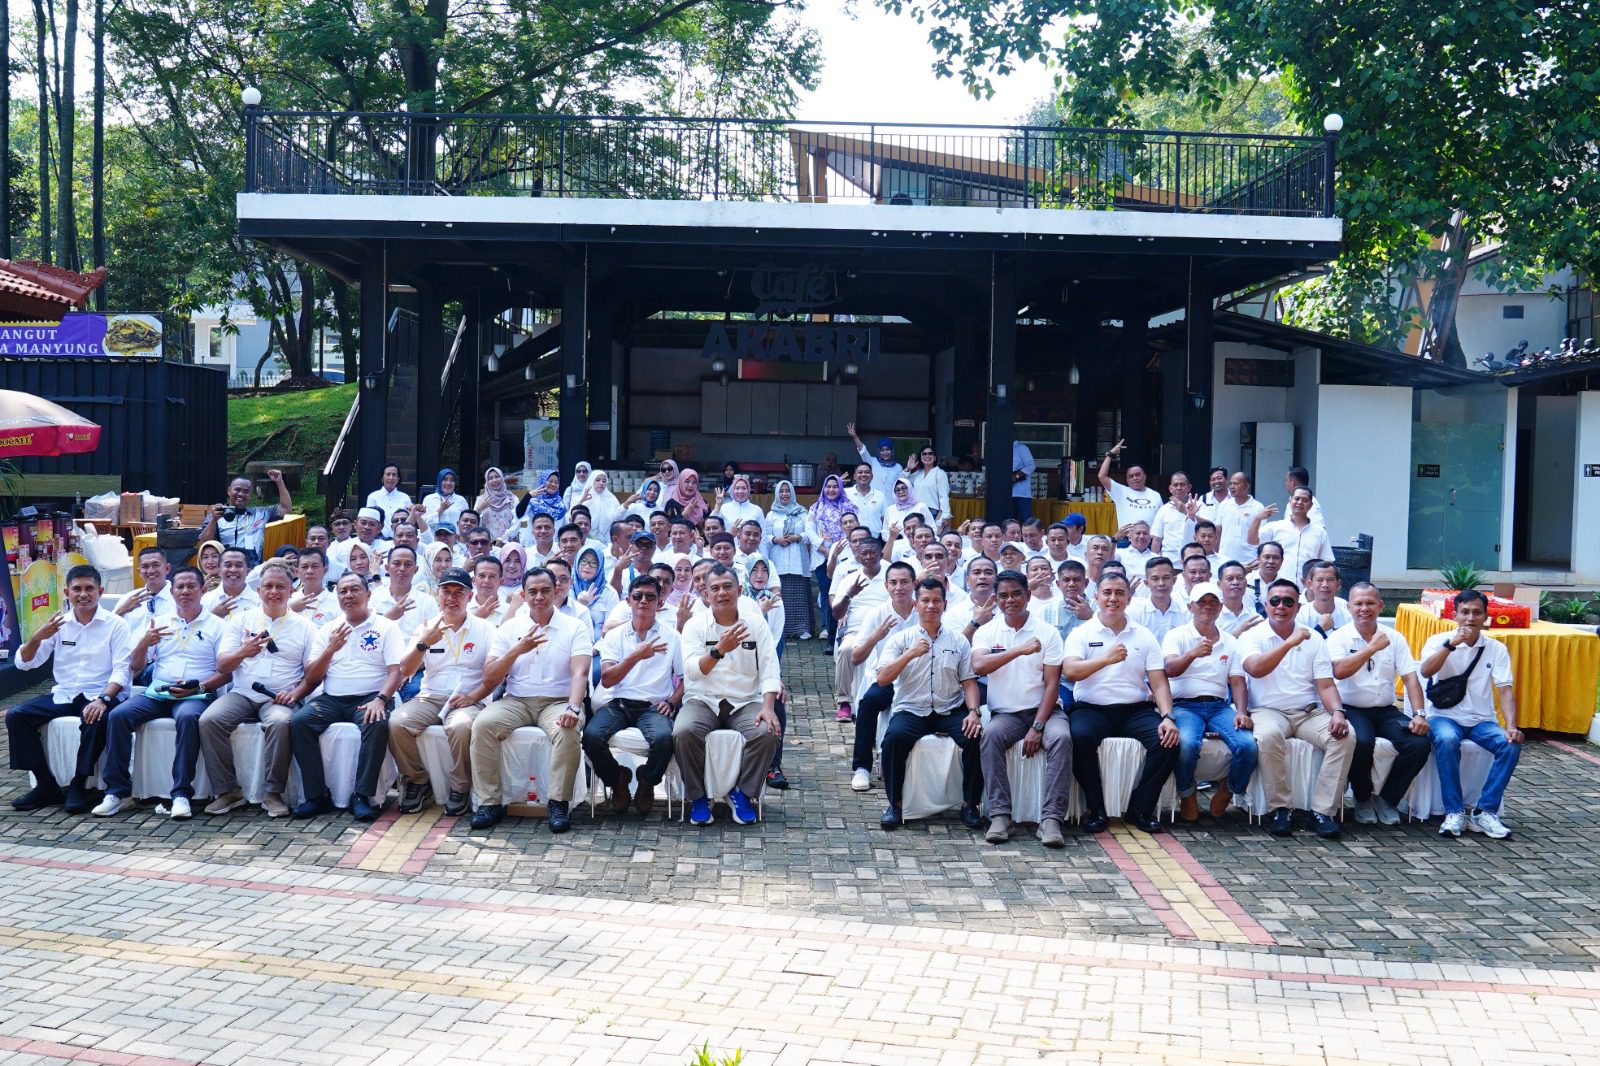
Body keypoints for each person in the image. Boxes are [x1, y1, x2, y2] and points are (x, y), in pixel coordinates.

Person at [92, 566, 230, 819]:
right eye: (180, 587)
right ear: (172, 591)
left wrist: (199, 687)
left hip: (196, 693)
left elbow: (226, 673)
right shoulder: (160, 622)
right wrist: (144, 644)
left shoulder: (218, 626)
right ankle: (116, 792)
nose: (185, 591)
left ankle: (181, 794)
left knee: (188, 717)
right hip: (159, 691)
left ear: (202, 590)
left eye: (191, 586)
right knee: (118, 716)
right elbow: (136, 666)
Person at [470, 567, 591, 832]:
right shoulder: (510, 627)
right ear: (523, 595)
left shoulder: (574, 627)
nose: (539, 597)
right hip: (517, 700)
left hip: (558, 700)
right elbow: (489, 677)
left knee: (568, 730)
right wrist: (516, 650)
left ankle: (558, 803)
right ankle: (490, 803)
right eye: (532, 592)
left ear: (556, 591)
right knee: (482, 725)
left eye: (545, 591)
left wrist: (573, 707)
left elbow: (580, 672)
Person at [8, 564, 135, 814]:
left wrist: (103, 699)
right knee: (16, 716)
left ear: (100, 591)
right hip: (65, 694)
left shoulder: (116, 624)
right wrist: (37, 637)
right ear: (67, 592)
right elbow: (26, 663)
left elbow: (122, 670)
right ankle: (46, 784)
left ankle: (78, 783)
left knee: (95, 718)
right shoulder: (59, 624)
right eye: (77, 589)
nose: (83, 594)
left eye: (89, 588)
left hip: (101, 693)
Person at [1062, 571, 1178, 834]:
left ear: (1129, 598)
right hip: (1091, 708)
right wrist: (1106, 659)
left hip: (1134, 709)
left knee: (1168, 741)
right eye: (1107, 592)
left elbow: (1159, 683)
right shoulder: (1082, 632)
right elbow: (1070, 671)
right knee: (1078, 737)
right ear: (1096, 596)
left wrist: (1167, 716)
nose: (1113, 598)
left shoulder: (1143, 635)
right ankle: (1096, 809)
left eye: (1119, 593)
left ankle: (1140, 808)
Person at [1239, 578, 1353, 838]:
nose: (1281, 606)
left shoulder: (1313, 638)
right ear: (1266, 605)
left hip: (1308, 712)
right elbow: (1255, 669)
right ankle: (1281, 809)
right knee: (1268, 736)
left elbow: (1325, 685)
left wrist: (1338, 712)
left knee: (1345, 736)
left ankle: (1323, 811)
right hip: (1268, 710)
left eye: (1288, 601)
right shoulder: (1252, 636)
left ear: (1298, 607)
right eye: (1275, 601)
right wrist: (1290, 642)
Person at [287, 573, 406, 821]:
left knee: (376, 722)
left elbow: (396, 672)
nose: (348, 595)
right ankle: (316, 796)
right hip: (332, 698)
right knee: (299, 722)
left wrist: (381, 699)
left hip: (371, 696)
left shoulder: (386, 627)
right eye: (343, 591)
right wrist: (330, 649)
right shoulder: (328, 629)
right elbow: (312, 676)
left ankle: (361, 796)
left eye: (354, 590)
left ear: (368, 594)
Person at [200, 560, 314, 817]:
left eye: (280, 587)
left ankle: (272, 793)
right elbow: (222, 665)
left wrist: (294, 694)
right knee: (209, 720)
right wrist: (244, 651)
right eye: (268, 586)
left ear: (291, 590)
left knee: (280, 722)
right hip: (243, 693)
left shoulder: (305, 626)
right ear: (259, 590)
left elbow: (312, 675)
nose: (274, 592)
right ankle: (228, 791)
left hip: (279, 697)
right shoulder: (241, 620)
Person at [384, 567, 497, 818]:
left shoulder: (485, 629)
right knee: (396, 723)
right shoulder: (426, 627)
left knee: (461, 726)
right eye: (446, 592)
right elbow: (406, 669)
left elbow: (495, 674)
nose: (451, 598)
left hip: (468, 698)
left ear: (470, 596)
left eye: (459, 592)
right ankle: (416, 780)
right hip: (431, 696)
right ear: (438, 595)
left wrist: (475, 696)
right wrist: (424, 643)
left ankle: (460, 786)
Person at [677, 564, 783, 826]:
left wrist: (768, 707)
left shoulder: (755, 623)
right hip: (703, 699)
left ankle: (743, 793)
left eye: (727, 587)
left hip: (744, 700)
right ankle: (698, 797)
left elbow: (770, 667)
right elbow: (692, 671)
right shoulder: (695, 625)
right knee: (683, 731)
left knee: (767, 732)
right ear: (705, 593)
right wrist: (718, 650)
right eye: (715, 588)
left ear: (739, 589)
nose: (722, 593)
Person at [875, 578, 983, 830]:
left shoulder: (958, 641)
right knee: (893, 740)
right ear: (916, 604)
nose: (931, 606)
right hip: (912, 709)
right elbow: (882, 678)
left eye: (937, 601)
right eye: (925, 600)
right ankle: (895, 805)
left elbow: (968, 682)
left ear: (945, 605)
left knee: (975, 738)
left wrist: (974, 712)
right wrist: (910, 654)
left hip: (949, 708)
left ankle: (970, 805)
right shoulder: (901, 639)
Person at [975, 569, 1070, 845]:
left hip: (1046, 712)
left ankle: (1051, 819)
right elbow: (979, 665)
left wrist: (1038, 727)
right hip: (1006, 714)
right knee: (990, 736)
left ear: (1028, 595)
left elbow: (1052, 684)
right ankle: (1000, 816)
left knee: (1062, 738)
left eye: (1016, 594)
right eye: (1003, 595)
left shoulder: (1048, 633)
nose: (1010, 600)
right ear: (996, 599)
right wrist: (1018, 650)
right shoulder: (987, 631)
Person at [1418, 590, 1521, 839]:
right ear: (1455, 615)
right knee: (1447, 739)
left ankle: (1485, 811)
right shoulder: (1438, 640)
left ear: (1485, 617)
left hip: (1482, 720)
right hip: (1444, 716)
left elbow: (1505, 689)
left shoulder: (1496, 648)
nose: (1470, 618)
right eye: (1464, 612)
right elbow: (1425, 671)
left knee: (1509, 744)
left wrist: (1511, 726)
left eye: (1477, 612)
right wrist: (1451, 645)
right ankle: (1454, 811)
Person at [1327, 583, 1430, 826]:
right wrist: (1371, 648)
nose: (1364, 608)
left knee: (1419, 743)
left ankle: (1387, 799)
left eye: (1370, 603)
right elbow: (1339, 671)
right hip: (1351, 708)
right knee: (1362, 742)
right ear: (1349, 607)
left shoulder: (1395, 637)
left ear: (1381, 606)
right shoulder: (1339, 637)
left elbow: (1410, 678)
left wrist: (1419, 714)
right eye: (1359, 603)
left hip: (1385, 710)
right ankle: (1362, 798)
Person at [583, 574, 683, 818]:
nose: (643, 601)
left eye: (650, 597)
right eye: (637, 596)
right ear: (628, 600)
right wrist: (636, 656)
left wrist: (671, 702)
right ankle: (618, 778)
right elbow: (608, 679)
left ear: (660, 602)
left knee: (664, 739)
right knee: (591, 737)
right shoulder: (615, 635)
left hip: (653, 705)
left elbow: (686, 679)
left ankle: (647, 780)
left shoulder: (672, 636)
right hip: (618, 702)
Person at [1162, 581, 1255, 822]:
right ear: (1190, 606)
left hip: (1218, 706)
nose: (1207, 606)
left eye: (1213, 601)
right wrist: (1192, 653)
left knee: (1247, 745)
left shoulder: (1230, 641)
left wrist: (1241, 711)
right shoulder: (1177, 635)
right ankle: (1187, 792)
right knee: (1186, 744)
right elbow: (1169, 669)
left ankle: (1229, 789)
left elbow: (1237, 681)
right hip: (1184, 704)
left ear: (1221, 606)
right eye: (1201, 602)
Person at [846, 562, 919, 792]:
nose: (899, 588)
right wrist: (875, 637)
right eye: (893, 583)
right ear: (886, 586)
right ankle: (862, 768)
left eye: (904, 582)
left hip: (918, 680)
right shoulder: (877, 614)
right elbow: (856, 657)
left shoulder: (923, 610)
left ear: (914, 584)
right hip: (886, 678)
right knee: (869, 702)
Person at [370, 545, 440, 701]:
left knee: (413, 690)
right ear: (387, 567)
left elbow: (435, 643)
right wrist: (388, 617)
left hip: (414, 667)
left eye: (408, 564)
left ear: (415, 569)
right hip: (378, 666)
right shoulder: (374, 597)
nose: (402, 568)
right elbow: (363, 634)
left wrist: (409, 669)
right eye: (396, 563)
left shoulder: (427, 602)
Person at [831, 535, 888, 722]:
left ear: (881, 554)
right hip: (856, 631)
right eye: (864, 553)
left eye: (873, 553)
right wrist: (849, 595)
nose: (868, 557)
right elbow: (836, 614)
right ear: (857, 555)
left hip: (887, 630)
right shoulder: (850, 579)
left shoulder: (891, 575)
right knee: (845, 649)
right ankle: (844, 702)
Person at [197, 469, 293, 565]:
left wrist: (279, 482)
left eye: (246, 491)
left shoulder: (261, 513)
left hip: (253, 567)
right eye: (237, 490)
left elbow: (286, 508)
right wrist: (213, 520)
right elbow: (203, 543)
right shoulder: (217, 514)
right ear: (229, 491)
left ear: (251, 495)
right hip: (226, 567)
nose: (241, 494)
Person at [763, 479, 813, 641]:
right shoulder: (771, 515)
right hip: (778, 559)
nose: (785, 494)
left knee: (799, 596)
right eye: (781, 491)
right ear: (777, 494)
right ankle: (780, 629)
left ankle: (802, 629)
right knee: (780, 594)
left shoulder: (802, 513)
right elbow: (765, 536)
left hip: (798, 560)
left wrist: (798, 537)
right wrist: (775, 539)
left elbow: (810, 534)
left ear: (792, 493)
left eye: (787, 491)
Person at [1247, 487, 1330, 584]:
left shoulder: (1319, 532)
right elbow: (1252, 540)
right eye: (1297, 498)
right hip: (1279, 586)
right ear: (1290, 501)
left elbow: (1326, 561)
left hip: (1308, 587)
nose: (1300, 502)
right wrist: (1257, 519)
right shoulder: (1275, 527)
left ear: (1311, 505)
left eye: (1305, 500)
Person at [1096, 440, 1161, 530]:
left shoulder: (1155, 495)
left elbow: (1161, 521)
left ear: (1145, 476)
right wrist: (1110, 454)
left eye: (1138, 474)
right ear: (1127, 480)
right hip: (1126, 537)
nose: (1135, 478)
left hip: (1149, 537)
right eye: (1131, 476)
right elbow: (1102, 476)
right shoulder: (1121, 492)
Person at [1127, 557, 1185, 641]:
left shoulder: (1185, 611)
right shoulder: (1135, 611)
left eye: (1166, 578)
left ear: (1174, 580)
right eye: (1155, 579)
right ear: (1146, 583)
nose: (1161, 583)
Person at [1150, 471, 1199, 562]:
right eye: (1175, 485)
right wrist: (1154, 563)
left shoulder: (1199, 505)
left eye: (1182, 484)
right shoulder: (1163, 510)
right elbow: (1157, 540)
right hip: (1169, 562)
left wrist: (1186, 511)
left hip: (1194, 561)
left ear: (1189, 487)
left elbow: (1209, 528)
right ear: (1170, 488)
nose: (1179, 488)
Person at [1217, 472, 1266, 564]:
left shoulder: (1258, 507)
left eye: (1236, 484)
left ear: (1247, 486)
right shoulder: (1224, 505)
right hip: (1225, 558)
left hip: (1250, 559)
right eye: (1230, 484)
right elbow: (1218, 531)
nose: (1232, 487)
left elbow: (1261, 536)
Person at [116, 546, 177, 619]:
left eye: (156, 565)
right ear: (139, 572)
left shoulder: (179, 598)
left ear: (167, 568)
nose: (151, 571)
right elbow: (109, 624)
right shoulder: (128, 599)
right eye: (145, 566)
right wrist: (120, 611)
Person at [202, 547, 260, 618]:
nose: (233, 570)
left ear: (248, 571)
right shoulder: (206, 600)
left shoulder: (259, 601)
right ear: (219, 571)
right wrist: (214, 616)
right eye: (228, 565)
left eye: (238, 565)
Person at [1296, 560, 1351, 635]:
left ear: (1338, 584)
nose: (1325, 585)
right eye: (1319, 580)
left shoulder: (1348, 615)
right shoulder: (1300, 615)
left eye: (1330, 579)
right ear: (1310, 584)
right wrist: (1320, 629)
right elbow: (1299, 641)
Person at [905, 445, 950, 529]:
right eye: (924, 454)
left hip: (933, 513)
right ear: (921, 457)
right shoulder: (918, 474)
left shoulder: (940, 473)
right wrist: (908, 469)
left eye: (930, 453)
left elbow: (943, 496)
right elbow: (902, 483)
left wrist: (945, 516)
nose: (927, 456)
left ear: (935, 457)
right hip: (916, 511)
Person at [848, 422, 905, 487]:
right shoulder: (872, 461)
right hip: (874, 493)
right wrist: (855, 436)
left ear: (891, 451)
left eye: (887, 449)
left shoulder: (898, 467)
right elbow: (863, 450)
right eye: (882, 450)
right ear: (879, 452)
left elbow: (901, 483)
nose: (885, 452)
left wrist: (908, 469)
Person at [473, 466, 519, 541]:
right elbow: (473, 521)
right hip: (487, 543)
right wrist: (479, 509)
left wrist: (503, 540)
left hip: (509, 543)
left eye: (497, 477)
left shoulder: (512, 499)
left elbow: (517, 522)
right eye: (490, 478)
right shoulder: (481, 500)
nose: (494, 480)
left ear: (502, 478)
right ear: (487, 482)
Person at [417, 468, 466, 537]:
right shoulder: (429, 499)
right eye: (445, 479)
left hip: (455, 540)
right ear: (439, 481)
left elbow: (466, 522)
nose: (448, 483)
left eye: (452, 480)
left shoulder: (461, 500)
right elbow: (424, 523)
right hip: (434, 539)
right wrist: (440, 510)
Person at [844, 462, 887, 536]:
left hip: (875, 539)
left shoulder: (880, 495)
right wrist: (837, 482)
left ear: (872, 476)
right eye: (860, 472)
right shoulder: (845, 494)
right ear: (854, 476)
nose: (863, 475)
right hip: (851, 539)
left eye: (867, 472)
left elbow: (885, 519)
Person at [575, 469, 623, 535]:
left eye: (604, 481)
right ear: (592, 481)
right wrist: (582, 500)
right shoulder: (584, 497)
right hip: (587, 536)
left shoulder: (611, 499)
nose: (601, 483)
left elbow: (618, 518)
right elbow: (572, 516)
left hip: (607, 536)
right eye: (597, 480)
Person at [1010, 438, 1037, 522]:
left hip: (1021, 493)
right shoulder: (1001, 449)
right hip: (1005, 494)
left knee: (1026, 521)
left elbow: (1031, 466)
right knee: (1009, 521)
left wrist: (1016, 476)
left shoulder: (1021, 448)